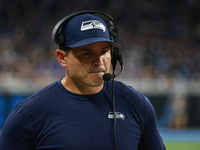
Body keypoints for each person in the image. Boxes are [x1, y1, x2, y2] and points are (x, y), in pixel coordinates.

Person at [0, 10, 165, 150]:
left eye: (104, 51)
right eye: (86, 53)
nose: (99, 60)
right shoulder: (28, 114)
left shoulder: (137, 105)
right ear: (62, 57)